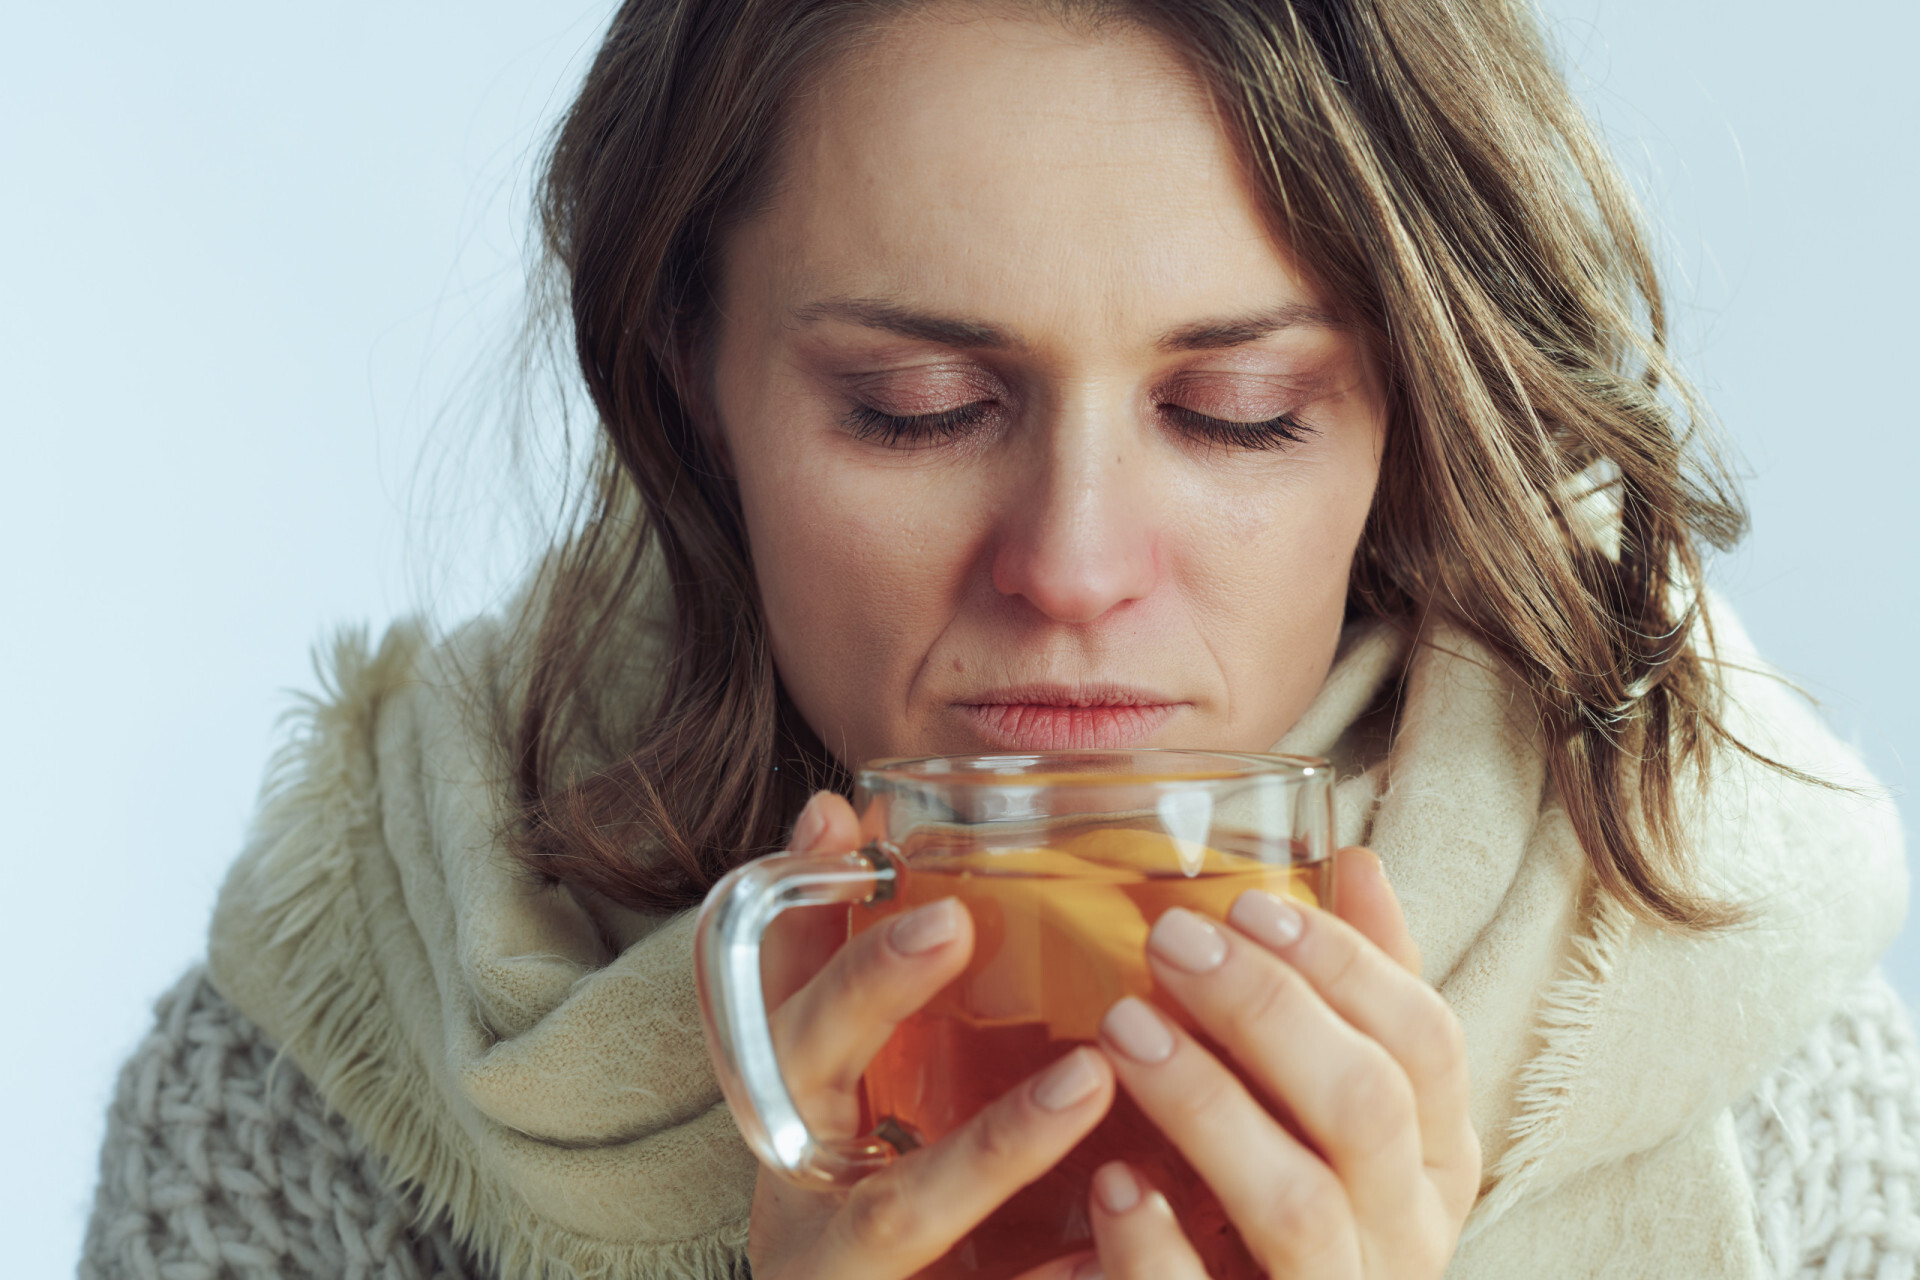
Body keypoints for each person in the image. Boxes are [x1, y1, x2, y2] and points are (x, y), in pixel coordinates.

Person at [80, 0, 1917, 1277]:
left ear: (1409, 422)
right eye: (918, 404)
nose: (1074, 563)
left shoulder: (1762, 1059)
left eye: (1243, 410)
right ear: (682, 384)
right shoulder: (316, 1105)